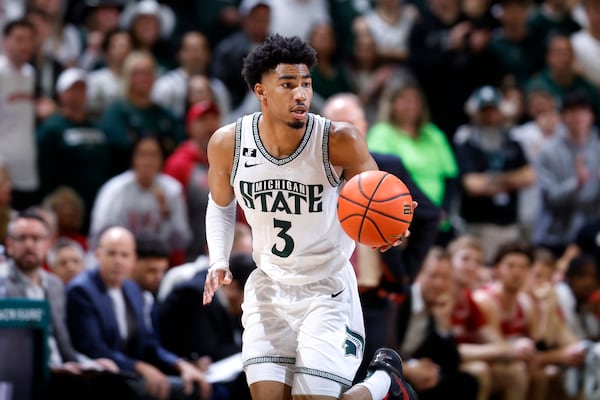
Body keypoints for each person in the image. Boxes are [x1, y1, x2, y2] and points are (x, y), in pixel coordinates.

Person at [202, 34, 417, 400]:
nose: (301, 93)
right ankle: (382, 384)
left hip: (326, 288)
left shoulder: (339, 140)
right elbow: (221, 204)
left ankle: (383, 383)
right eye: (288, 84)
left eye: (306, 84)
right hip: (269, 285)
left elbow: (380, 197)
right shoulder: (229, 143)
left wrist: (392, 228)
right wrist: (218, 259)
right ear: (261, 91)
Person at [66, 226, 212, 400]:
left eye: (124, 255)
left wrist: (180, 364)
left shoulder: (132, 289)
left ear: (133, 258)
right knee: (183, 391)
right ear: (98, 255)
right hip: (103, 376)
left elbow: (149, 343)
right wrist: (140, 367)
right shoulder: (82, 290)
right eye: (112, 254)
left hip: (131, 371)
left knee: (196, 385)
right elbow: (93, 347)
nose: (118, 261)